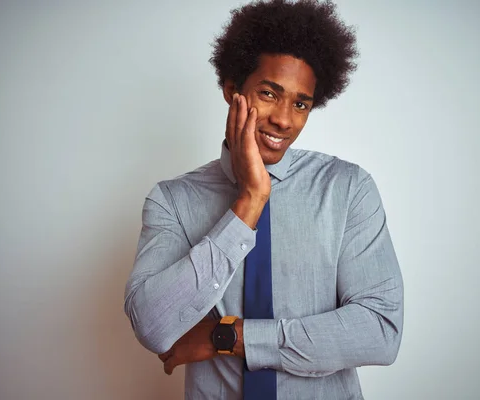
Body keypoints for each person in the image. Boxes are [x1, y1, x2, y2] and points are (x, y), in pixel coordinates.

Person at [124, 0, 404, 398]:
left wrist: (233, 336)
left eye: (301, 103)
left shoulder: (347, 189)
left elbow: (380, 331)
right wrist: (250, 201)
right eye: (270, 94)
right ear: (232, 90)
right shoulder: (172, 200)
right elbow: (153, 326)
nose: (284, 120)